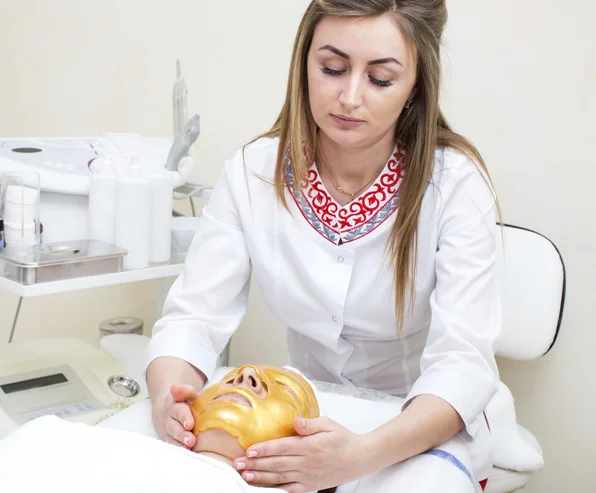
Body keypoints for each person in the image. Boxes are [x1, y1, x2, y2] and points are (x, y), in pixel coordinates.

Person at [146, 1, 501, 492]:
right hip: (304, 414)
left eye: (380, 79)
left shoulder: (456, 185)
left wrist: (361, 454)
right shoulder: (252, 171)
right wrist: (169, 398)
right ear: (304, 64)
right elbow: (193, 318)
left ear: (415, 85)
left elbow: (462, 364)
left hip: (419, 423)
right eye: (332, 68)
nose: (349, 97)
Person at [0, 365, 478, 493]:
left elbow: (464, 365)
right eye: (230, 378)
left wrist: (362, 455)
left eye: (280, 391)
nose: (246, 377)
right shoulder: (60, 439)